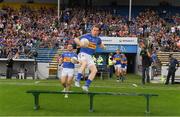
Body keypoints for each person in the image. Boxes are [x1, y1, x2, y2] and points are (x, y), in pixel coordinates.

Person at [74, 24, 106, 92]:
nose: (95, 31)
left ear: (98, 32)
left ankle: (86, 86)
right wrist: (80, 43)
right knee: (84, 63)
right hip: (82, 54)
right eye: (94, 30)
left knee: (94, 70)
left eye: (97, 30)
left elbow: (101, 45)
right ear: (92, 30)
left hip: (90, 56)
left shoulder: (98, 39)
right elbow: (75, 39)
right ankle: (77, 79)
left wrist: (103, 47)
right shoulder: (86, 35)